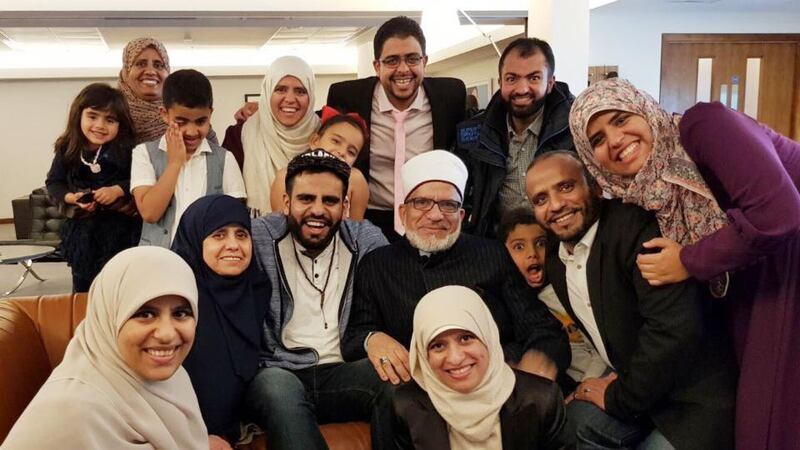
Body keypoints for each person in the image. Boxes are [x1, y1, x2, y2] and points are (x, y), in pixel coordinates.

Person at [569, 78, 800, 450]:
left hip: (788, 264)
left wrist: (689, 261)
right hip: (752, 284)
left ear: (644, 108)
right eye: (595, 139)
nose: (614, 139)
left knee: (770, 422)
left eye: (620, 118)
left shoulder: (703, 126)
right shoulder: (646, 197)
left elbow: (780, 213)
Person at [525, 151, 736, 450]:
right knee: (569, 428)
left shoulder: (635, 227)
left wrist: (618, 397)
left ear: (595, 186)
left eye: (565, 187)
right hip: (637, 388)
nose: (556, 205)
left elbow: (673, 332)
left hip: (691, 399)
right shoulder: (556, 262)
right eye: (540, 199)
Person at [343, 150, 569, 388]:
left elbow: (541, 327)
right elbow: (355, 334)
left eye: (448, 205)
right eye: (421, 203)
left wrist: (537, 361)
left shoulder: (492, 255)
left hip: (498, 381)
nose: (435, 215)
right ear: (403, 212)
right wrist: (372, 339)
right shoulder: (377, 264)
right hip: (418, 391)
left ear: (461, 215)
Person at [247, 150, 393, 450]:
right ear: (286, 202)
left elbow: (394, 289)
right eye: (305, 199)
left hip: (342, 370)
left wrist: (374, 338)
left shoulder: (365, 239)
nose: (318, 210)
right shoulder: (258, 237)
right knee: (277, 388)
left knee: (396, 379)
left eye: (329, 201)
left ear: (345, 206)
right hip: (278, 370)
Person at [2, 246, 208, 449]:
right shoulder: (70, 412)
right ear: (109, 317)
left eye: (180, 313)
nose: (167, 334)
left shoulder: (173, 377)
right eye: (145, 314)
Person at [326, 16, 466, 240]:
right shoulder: (347, 96)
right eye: (392, 60)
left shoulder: (451, 95)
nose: (403, 69)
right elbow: (313, 130)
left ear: (425, 61)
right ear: (377, 65)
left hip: (428, 217)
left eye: (412, 59)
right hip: (369, 218)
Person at [391, 285, 566, 450]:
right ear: (423, 353)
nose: (455, 358)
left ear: (487, 337)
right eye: (438, 346)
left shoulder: (541, 398)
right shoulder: (405, 406)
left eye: (466, 338)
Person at [171, 195, 269, 448]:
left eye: (241, 234)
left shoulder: (258, 291)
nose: (234, 245)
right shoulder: (172, 300)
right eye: (219, 235)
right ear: (195, 239)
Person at [457, 37, 575, 238]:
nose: (522, 89)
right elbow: (465, 196)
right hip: (496, 247)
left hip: (561, 246)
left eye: (534, 78)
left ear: (550, 83)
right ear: (501, 81)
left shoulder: (576, 127)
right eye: (512, 78)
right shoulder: (475, 132)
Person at [131, 69, 246, 248]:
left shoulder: (225, 159)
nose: (192, 132)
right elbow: (150, 213)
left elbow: (234, 220)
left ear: (210, 114)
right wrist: (175, 163)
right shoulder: (144, 153)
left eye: (201, 121)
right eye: (181, 122)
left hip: (207, 263)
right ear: (164, 114)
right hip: (156, 260)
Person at [45, 83, 141, 292]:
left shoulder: (126, 150)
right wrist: (72, 198)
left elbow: (139, 180)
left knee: (119, 284)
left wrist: (117, 190)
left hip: (120, 230)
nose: (100, 125)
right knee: (84, 286)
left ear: (120, 124)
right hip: (83, 231)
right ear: (78, 115)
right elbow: (54, 182)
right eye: (93, 116)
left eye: (110, 120)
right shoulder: (67, 148)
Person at [497, 207, 606, 384]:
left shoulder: (569, 291)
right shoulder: (511, 305)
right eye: (519, 247)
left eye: (541, 243)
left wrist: (585, 389)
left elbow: (601, 352)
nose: (532, 253)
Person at [222, 55, 321, 215]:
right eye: (280, 89)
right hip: (255, 234)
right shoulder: (239, 135)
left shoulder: (326, 135)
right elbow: (228, 201)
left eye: (300, 91)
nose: (289, 99)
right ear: (267, 92)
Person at [269, 106, 370, 219]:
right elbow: (278, 224)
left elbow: (357, 228)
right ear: (315, 141)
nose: (342, 152)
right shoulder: (285, 176)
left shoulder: (356, 179)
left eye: (351, 152)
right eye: (336, 141)